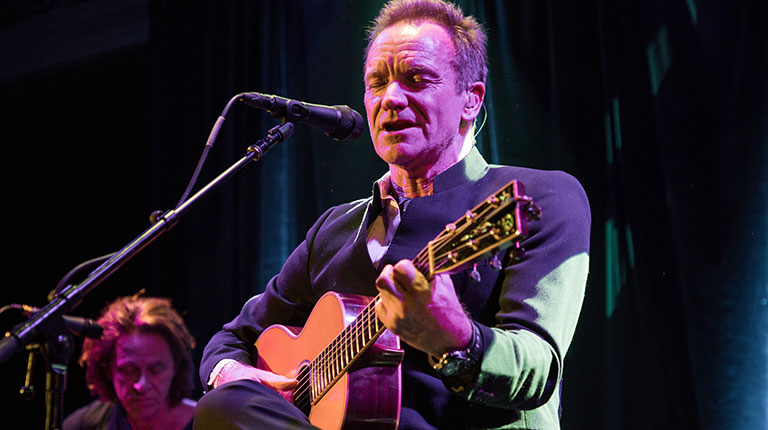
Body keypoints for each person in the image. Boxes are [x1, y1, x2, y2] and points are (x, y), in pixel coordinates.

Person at [194, 0, 590, 428]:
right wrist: (233, 374)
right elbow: (232, 338)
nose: (391, 99)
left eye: (416, 79)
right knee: (223, 406)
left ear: (471, 101)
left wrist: (458, 339)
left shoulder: (537, 195)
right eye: (376, 83)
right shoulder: (333, 230)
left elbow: (538, 368)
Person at [63, 295, 198, 430]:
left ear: (175, 366)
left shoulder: (208, 423)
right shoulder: (84, 424)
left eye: (155, 370)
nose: (141, 385)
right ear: (108, 369)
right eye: (128, 370)